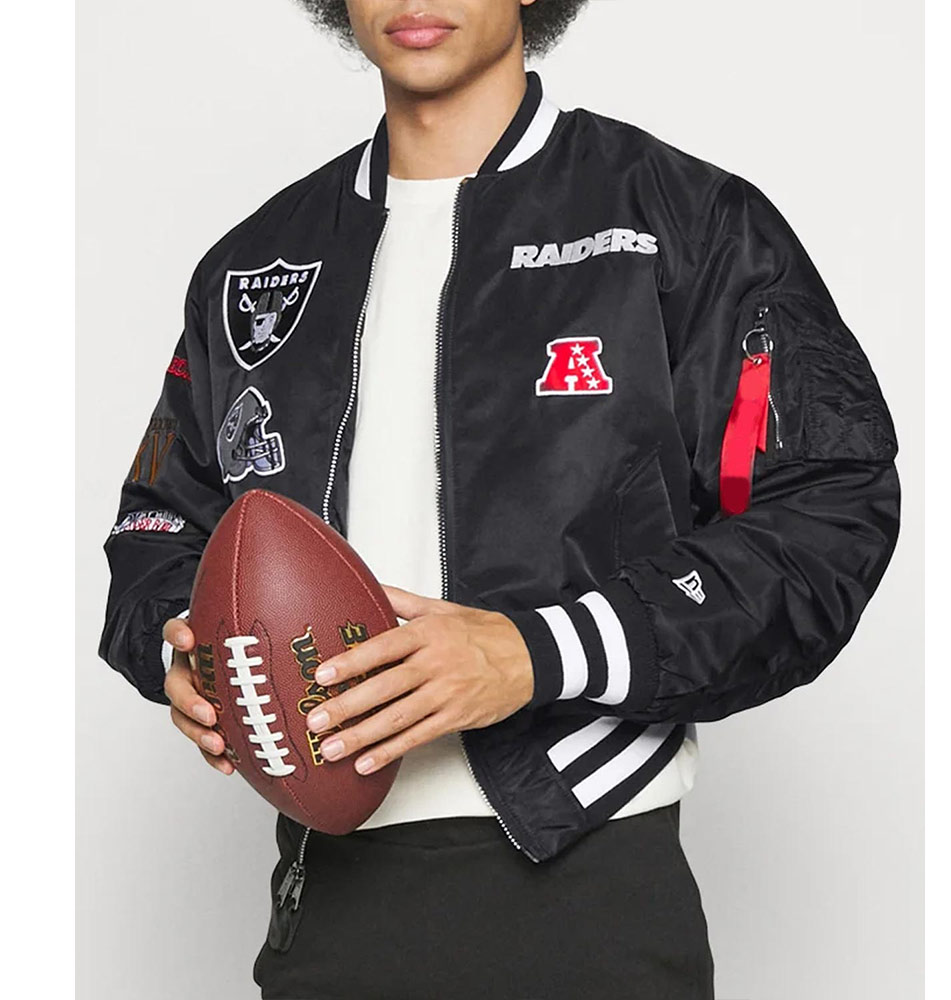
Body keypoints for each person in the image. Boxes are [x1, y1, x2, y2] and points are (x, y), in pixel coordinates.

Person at [98, 1, 901, 997]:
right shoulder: (254, 263)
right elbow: (158, 526)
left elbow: (824, 514)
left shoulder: (685, 223)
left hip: (588, 887)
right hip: (328, 896)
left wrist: (534, 653)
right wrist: (184, 643)